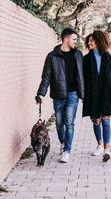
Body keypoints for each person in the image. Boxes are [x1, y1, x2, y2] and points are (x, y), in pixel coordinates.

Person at [36, 28, 84, 163]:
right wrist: (41, 93)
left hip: (73, 94)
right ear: (66, 39)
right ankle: (63, 143)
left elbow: (82, 75)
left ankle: (67, 150)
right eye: (74, 39)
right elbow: (46, 76)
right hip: (58, 94)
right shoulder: (52, 56)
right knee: (59, 123)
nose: (76, 42)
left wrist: (84, 94)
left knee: (69, 122)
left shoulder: (78, 54)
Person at [82, 30, 111, 162]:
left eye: (92, 40)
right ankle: (99, 145)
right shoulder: (85, 59)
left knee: (106, 120)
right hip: (92, 93)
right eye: (89, 40)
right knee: (96, 120)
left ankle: (107, 149)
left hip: (106, 93)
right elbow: (83, 77)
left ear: (99, 41)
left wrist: (107, 84)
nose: (89, 42)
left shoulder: (109, 58)